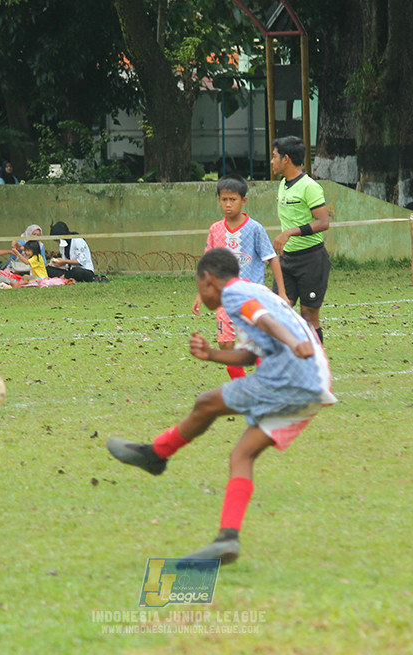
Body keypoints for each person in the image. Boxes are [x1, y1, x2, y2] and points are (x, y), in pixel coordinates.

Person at [106, 248, 336, 563]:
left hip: (290, 376)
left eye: (200, 288)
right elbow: (251, 355)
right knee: (241, 454)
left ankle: (156, 454)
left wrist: (294, 343)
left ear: (208, 280)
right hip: (315, 382)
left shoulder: (234, 294)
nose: (201, 295)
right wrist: (212, 354)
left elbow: (264, 319)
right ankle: (227, 538)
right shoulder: (254, 290)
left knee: (207, 402)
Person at [192, 174, 289, 380]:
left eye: (233, 199)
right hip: (224, 298)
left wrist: (280, 292)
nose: (228, 204)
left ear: (243, 201)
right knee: (226, 346)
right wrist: (202, 294)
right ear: (218, 200)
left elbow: (272, 258)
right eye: (224, 200)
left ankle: (267, 381)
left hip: (251, 298)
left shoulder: (255, 228)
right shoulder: (215, 230)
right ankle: (244, 385)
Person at [270, 136, 331, 344]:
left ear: (286, 159)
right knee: (277, 311)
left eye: (274, 156)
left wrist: (289, 232)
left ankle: (316, 365)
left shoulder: (309, 187)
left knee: (309, 316)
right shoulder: (283, 185)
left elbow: (323, 222)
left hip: (311, 260)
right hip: (287, 261)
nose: (272, 161)